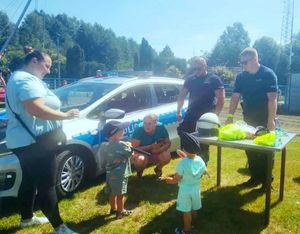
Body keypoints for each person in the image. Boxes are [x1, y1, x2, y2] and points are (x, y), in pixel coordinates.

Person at [5, 47, 79, 234]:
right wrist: (65, 115)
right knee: (47, 185)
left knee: (29, 180)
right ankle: (59, 228)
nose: (48, 70)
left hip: (26, 140)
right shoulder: (25, 79)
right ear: (34, 62)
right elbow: (35, 108)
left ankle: (27, 219)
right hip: (34, 143)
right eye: (47, 65)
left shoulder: (20, 78)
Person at [225, 47, 278, 189]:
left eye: (245, 62)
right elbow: (235, 97)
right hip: (248, 119)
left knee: (266, 150)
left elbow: (272, 99)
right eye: (241, 62)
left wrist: (271, 120)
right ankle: (255, 177)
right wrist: (230, 116)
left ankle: (267, 181)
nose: (242, 65)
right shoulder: (241, 77)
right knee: (250, 150)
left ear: (255, 59)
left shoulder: (268, 74)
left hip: (265, 118)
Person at [177, 57, 225, 164]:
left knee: (203, 144)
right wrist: (179, 111)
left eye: (199, 68)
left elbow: (221, 99)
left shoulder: (214, 79)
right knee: (187, 140)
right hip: (191, 115)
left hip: (206, 118)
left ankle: (202, 167)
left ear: (205, 66)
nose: (196, 71)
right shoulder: (190, 79)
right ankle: (187, 166)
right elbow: (181, 95)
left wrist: (215, 116)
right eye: (194, 68)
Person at [161, 132, 208, 234]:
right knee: (194, 208)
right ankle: (194, 224)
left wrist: (169, 180)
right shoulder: (200, 160)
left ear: (184, 149)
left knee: (186, 211)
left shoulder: (182, 164)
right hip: (196, 189)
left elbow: (177, 178)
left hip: (185, 191)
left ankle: (186, 231)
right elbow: (205, 171)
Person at [100, 120, 133, 219]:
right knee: (120, 194)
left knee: (112, 193)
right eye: (122, 130)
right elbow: (130, 153)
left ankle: (113, 208)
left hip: (110, 174)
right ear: (115, 133)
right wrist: (129, 145)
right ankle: (120, 212)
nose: (124, 132)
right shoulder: (121, 145)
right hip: (120, 175)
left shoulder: (105, 145)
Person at [131, 114, 171, 178]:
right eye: (145, 123)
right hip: (142, 153)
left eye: (149, 123)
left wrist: (159, 150)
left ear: (155, 123)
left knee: (167, 157)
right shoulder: (138, 129)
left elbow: (168, 143)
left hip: (157, 152)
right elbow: (134, 149)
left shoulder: (161, 127)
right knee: (139, 160)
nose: (146, 126)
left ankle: (158, 169)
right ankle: (139, 171)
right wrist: (150, 147)